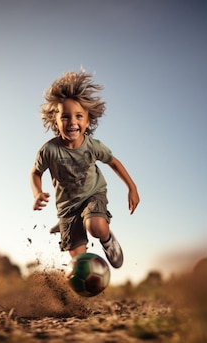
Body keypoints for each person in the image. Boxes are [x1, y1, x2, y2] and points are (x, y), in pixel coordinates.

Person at [30, 70, 140, 268]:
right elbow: (36, 172)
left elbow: (113, 162)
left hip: (92, 195)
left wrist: (132, 187)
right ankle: (81, 291)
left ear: (88, 121)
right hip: (67, 208)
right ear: (56, 121)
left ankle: (107, 240)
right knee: (79, 263)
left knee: (95, 226)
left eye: (79, 116)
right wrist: (37, 193)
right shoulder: (49, 150)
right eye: (65, 117)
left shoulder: (92, 146)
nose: (72, 122)